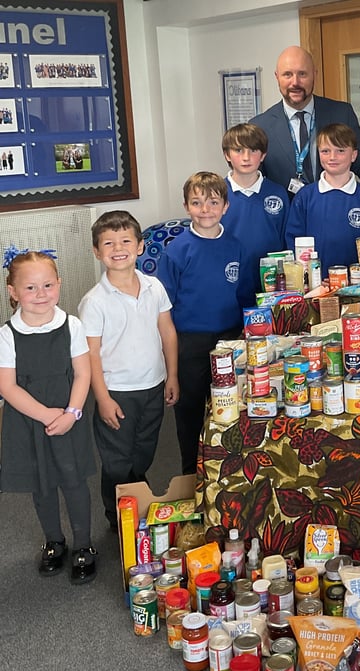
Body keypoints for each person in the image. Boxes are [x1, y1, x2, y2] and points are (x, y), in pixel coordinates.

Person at [78, 211, 179, 531]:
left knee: (144, 450)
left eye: (125, 240)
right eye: (108, 242)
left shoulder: (154, 286)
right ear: (97, 251)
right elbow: (90, 354)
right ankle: (117, 512)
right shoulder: (94, 302)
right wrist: (102, 398)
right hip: (116, 391)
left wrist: (172, 375)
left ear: (139, 246)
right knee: (117, 458)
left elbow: (167, 332)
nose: (117, 247)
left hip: (153, 384)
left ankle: (136, 492)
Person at [0, 249, 97, 583]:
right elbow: (8, 387)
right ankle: (55, 541)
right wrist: (45, 415)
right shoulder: (7, 335)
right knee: (40, 484)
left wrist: (71, 413)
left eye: (47, 285)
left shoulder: (72, 325)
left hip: (69, 415)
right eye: (30, 288)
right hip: (28, 420)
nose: (40, 295)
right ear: (12, 291)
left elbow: (83, 374)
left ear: (59, 284)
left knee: (73, 480)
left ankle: (84, 545)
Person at [157, 172, 253, 474]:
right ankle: (191, 474)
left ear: (226, 206)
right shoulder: (177, 250)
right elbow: (163, 308)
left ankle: (226, 470)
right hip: (190, 343)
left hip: (229, 340)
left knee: (230, 407)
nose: (205, 209)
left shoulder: (237, 246)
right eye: (197, 203)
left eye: (213, 202)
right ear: (186, 207)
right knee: (191, 411)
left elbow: (244, 295)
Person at [251, 46, 360, 211]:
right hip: (285, 222)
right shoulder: (260, 126)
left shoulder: (341, 113)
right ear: (277, 77)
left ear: (314, 74)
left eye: (302, 74)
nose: (295, 82)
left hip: (335, 213)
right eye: (287, 74)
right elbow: (253, 180)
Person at [284, 123, 360, 275]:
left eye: (340, 151)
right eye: (325, 151)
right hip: (315, 287)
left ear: (354, 155)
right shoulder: (304, 197)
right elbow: (293, 244)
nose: (332, 157)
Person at [220, 123, 288, 296]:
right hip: (228, 283)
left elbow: (286, 239)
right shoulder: (216, 194)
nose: (246, 157)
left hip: (271, 286)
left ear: (263, 155)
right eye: (238, 150)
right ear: (227, 155)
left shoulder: (278, 193)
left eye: (253, 151)